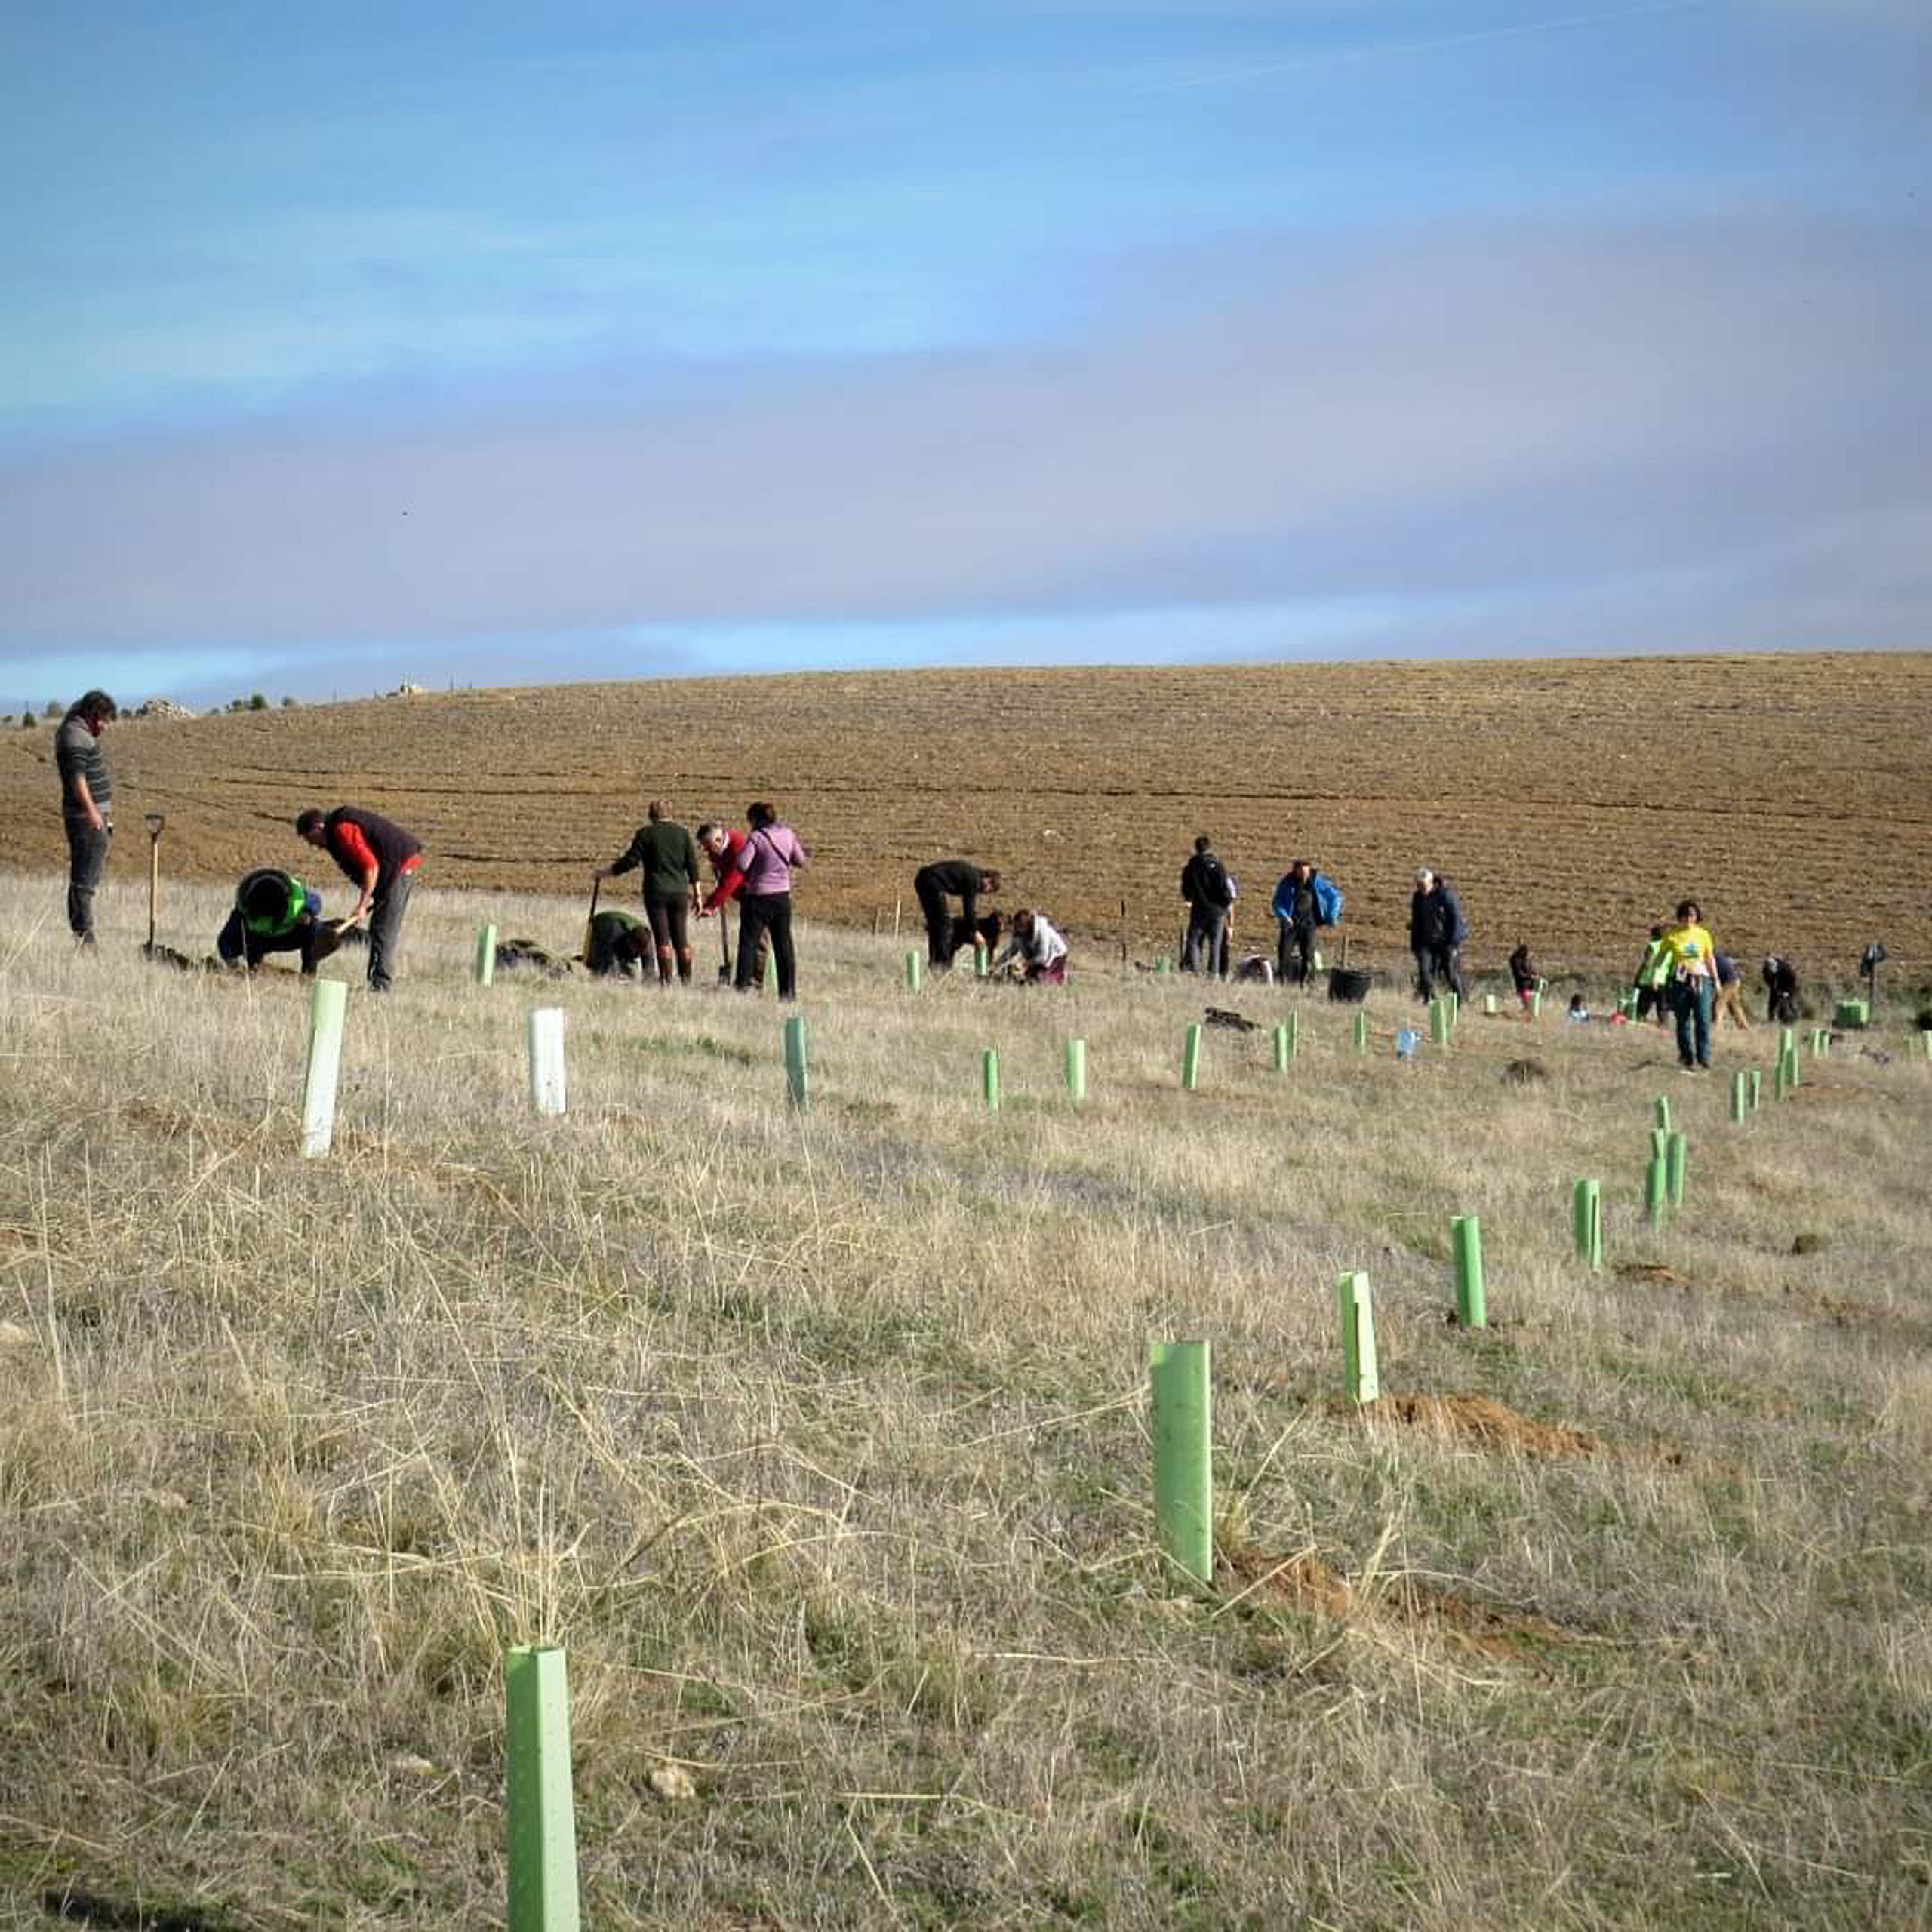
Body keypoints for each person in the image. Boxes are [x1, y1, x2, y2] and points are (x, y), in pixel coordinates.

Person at [295, 804, 423, 992]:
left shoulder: (343, 829)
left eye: (310, 839)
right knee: (380, 929)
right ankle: (378, 983)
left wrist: (363, 904)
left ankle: (380, 988)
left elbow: (370, 867)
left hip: (400, 867)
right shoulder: (333, 836)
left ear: (318, 828)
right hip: (393, 869)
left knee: (383, 931)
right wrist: (372, 894)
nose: (312, 846)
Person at [598, 800, 701, 984]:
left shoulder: (646, 834)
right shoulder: (683, 833)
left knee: (663, 939)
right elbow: (692, 866)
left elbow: (630, 861)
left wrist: (606, 873)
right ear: (671, 814)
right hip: (680, 892)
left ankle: (666, 982)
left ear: (651, 816)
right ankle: (687, 982)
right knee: (681, 940)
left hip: (656, 892)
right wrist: (698, 895)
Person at [55, 689, 116, 944]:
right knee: (84, 881)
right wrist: (93, 813)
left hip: (93, 816)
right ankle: (85, 938)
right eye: (103, 719)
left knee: (88, 877)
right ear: (91, 715)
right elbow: (77, 780)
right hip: (85, 818)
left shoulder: (77, 728)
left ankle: (84, 935)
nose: (105, 726)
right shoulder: (74, 737)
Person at [734, 802, 808, 999]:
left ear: (756, 819)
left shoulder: (757, 838)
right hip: (782, 897)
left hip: (757, 897)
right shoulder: (788, 834)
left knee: (748, 944)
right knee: (784, 946)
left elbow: (742, 865)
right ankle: (788, 992)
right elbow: (800, 860)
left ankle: (743, 988)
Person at [216, 867, 331, 974]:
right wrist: (233, 964)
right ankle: (255, 967)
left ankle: (308, 974)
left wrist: (308, 912)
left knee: (314, 928)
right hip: (259, 940)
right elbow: (225, 940)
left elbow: (315, 900)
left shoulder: (294, 895)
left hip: (289, 936)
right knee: (244, 937)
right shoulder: (244, 907)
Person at [1657, 898, 1719, 1072]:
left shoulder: (1703, 934)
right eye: (1685, 915)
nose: (1688, 918)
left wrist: (1716, 979)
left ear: (1697, 916)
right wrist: (1657, 974)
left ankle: (1704, 1057)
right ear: (1680, 917)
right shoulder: (1672, 935)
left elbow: (1709, 958)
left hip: (1702, 979)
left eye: (1692, 914)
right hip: (1679, 981)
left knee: (1703, 1019)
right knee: (1682, 1020)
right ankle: (1686, 1057)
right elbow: (1661, 957)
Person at [913, 860, 1001, 969]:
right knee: (945, 926)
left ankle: (934, 963)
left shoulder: (971, 874)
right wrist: (976, 933)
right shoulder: (974, 880)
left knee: (936, 926)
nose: (985, 892)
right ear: (988, 880)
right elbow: (969, 909)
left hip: (923, 880)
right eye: (989, 890)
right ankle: (942, 965)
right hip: (931, 882)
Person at [1410, 868, 1467, 1003]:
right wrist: (1414, 945)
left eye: (1423, 886)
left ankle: (1460, 1001)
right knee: (1424, 971)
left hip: (1445, 941)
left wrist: (1453, 944)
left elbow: (1455, 919)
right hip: (1425, 942)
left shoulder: (1445, 895)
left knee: (1450, 973)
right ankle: (1431, 999)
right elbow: (1416, 922)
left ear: (1431, 883)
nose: (1420, 889)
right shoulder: (1417, 898)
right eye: (1418, 885)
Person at [1179, 835, 1234, 975]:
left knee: (1194, 942)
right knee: (1215, 945)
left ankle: (1196, 971)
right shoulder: (1218, 865)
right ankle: (1213, 974)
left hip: (1198, 910)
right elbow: (1225, 888)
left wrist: (1189, 898)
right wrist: (1224, 905)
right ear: (1209, 848)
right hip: (1217, 911)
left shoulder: (1191, 866)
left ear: (1196, 848)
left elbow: (1185, 885)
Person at [1272, 861, 1320, 986]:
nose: (1304, 875)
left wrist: (1332, 914)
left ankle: (1307, 983)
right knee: (1284, 953)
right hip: (1291, 924)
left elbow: (1333, 896)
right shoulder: (1287, 883)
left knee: (1309, 955)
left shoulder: (1316, 881)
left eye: (1306, 872)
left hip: (1309, 924)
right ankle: (1282, 982)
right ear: (1295, 871)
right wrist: (1285, 916)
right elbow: (1277, 903)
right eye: (1301, 872)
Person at [995, 909, 1069, 984]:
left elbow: (1043, 957)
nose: (1017, 929)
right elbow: (1012, 950)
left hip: (1056, 956)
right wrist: (997, 963)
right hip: (1036, 958)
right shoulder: (1019, 933)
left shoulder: (1042, 931)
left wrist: (1023, 964)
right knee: (1028, 979)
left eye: (1020, 926)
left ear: (1028, 924)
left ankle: (1061, 976)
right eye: (1016, 926)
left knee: (1039, 981)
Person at [583, 906, 653, 977]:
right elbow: (610, 962)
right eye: (635, 950)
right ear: (629, 941)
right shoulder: (614, 934)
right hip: (602, 925)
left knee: (629, 969)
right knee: (599, 966)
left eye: (639, 952)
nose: (637, 954)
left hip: (620, 930)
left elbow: (649, 970)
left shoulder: (647, 944)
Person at [1632, 925, 1671, 1025]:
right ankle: (1663, 1024)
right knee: (1662, 1005)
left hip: (1648, 980)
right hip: (1663, 979)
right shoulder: (1670, 947)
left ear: (1653, 935)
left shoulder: (1652, 945)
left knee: (1643, 1005)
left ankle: (1640, 1019)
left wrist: (1638, 977)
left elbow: (1648, 963)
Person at [1711, 949, 1750, 1029]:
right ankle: (1744, 1026)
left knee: (1719, 1005)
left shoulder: (1711, 957)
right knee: (1735, 1005)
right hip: (1734, 981)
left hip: (1730, 982)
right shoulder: (1718, 955)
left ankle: (1718, 1029)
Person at [1762, 955, 1801, 1026]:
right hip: (1777, 986)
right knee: (1772, 1002)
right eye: (1770, 970)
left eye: (1773, 970)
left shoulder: (1787, 969)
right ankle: (1771, 1019)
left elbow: (1793, 981)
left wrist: (1787, 992)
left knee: (1788, 1002)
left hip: (1789, 986)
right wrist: (1774, 988)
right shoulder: (1766, 969)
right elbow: (1767, 980)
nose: (1771, 971)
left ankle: (1792, 1019)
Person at [1509, 942, 1538, 1010]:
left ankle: (1523, 1016)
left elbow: (1529, 970)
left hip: (1529, 986)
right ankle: (1522, 1017)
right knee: (1527, 1006)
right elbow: (1520, 974)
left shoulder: (1524, 960)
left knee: (1530, 1006)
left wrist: (1535, 974)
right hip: (1523, 987)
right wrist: (1531, 976)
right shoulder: (1516, 961)